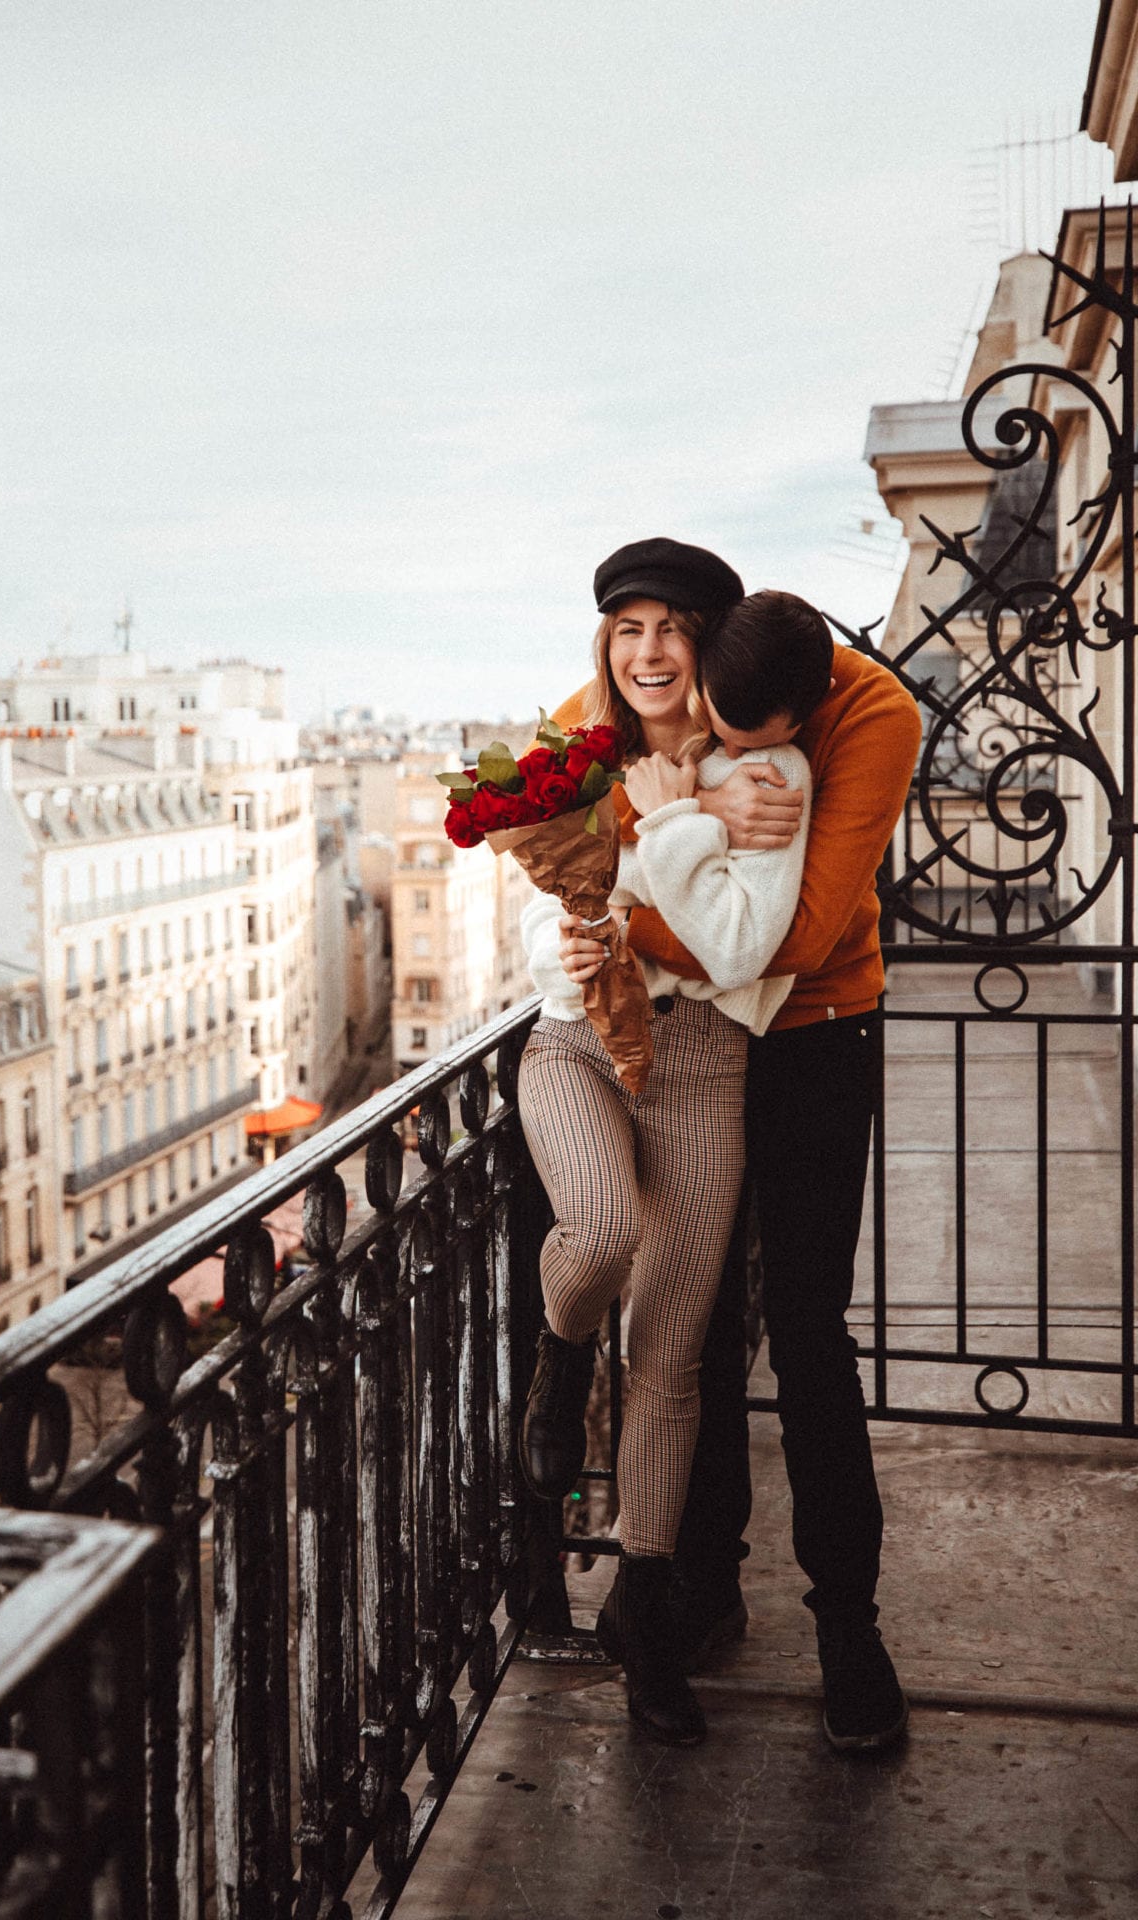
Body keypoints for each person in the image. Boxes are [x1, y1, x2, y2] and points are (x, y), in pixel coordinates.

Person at [544, 563, 922, 1755]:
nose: (712, 736)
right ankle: (694, 1583)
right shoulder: (660, 684)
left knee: (808, 1329)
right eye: (703, 709)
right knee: (690, 1326)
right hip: (690, 1036)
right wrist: (667, 840)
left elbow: (795, 939)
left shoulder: (872, 716)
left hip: (811, 1031)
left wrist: (643, 870)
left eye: (750, 737)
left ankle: (848, 1631)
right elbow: (553, 827)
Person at [517, 542, 832, 1745]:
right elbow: (551, 946)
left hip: (706, 1069)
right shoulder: (579, 763)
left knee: (674, 1360)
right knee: (596, 1234)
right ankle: (556, 1356)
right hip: (573, 1047)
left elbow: (745, 951)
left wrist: (677, 829)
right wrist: (674, 832)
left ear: (708, 642)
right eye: (624, 629)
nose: (645, 652)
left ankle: (644, 1620)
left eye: (669, 629)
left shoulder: (770, 771)